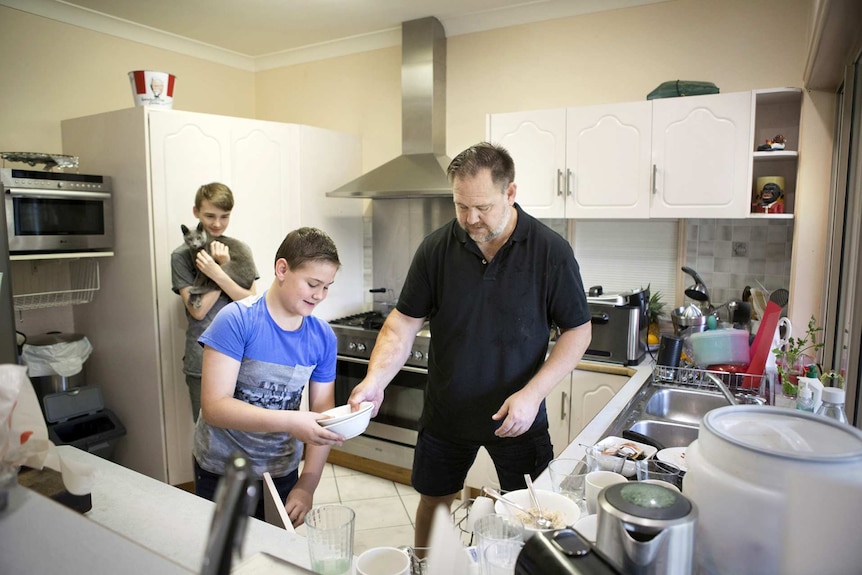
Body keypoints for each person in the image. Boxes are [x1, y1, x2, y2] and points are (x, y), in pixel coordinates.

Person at [348, 142, 592, 549]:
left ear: (510, 193)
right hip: (448, 412)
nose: (471, 219)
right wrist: (376, 379)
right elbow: (402, 324)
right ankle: (425, 566)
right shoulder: (436, 249)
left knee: (531, 512)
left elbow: (578, 332)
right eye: (461, 206)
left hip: (520, 416)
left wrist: (533, 396)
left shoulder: (551, 252)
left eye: (482, 207)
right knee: (435, 500)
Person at [193, 227, 346, 524]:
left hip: (281, 471)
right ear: (282, 269)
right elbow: (214, 407)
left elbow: (323, 415)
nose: (320, 296)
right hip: (222, 470)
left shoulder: (323, 337)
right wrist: (290, 421)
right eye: (313, 283)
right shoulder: (237, 320)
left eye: (327, 286)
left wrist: (307, 484)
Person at [171, 182, 259, 422]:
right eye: (210, 216)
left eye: (224, 216)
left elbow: (251, 300)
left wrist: (219, 270)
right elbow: (197, 310)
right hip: (202, 360)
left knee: (242, 437)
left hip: (242, 356)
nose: (217, 224)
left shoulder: (240, 249)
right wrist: (214, 267)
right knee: (208, 439)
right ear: (196, 213)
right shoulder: (181, 256)